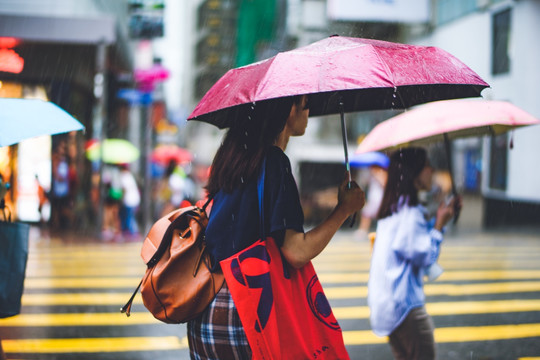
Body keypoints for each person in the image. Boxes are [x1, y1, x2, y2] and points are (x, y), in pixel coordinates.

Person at [187, 95, 365, 359]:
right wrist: (344, 209)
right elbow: (296, 252)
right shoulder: (274, 162)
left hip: (207, 313)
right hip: (247, 317)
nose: (308, 111)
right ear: (288, 111)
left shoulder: (232, 159)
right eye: (305, 104)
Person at [367, 147, 460, 360]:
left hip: (388, 306)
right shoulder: (409, 213)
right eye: (427, 165)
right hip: (405, 308)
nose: (432, 169)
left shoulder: (396, 207)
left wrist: (440, 221)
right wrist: (438, 226)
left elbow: (413, 240)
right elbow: (425, 255)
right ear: (414, 173)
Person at [118, 164, 141, 239]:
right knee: (130, 216)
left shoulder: (124, 176)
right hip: (134, 199)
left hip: (129, 200)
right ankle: (132, 232)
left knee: (129, 217)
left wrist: (121, 198)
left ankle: (133, 233)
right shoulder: (129, 175)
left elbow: (124, 189)